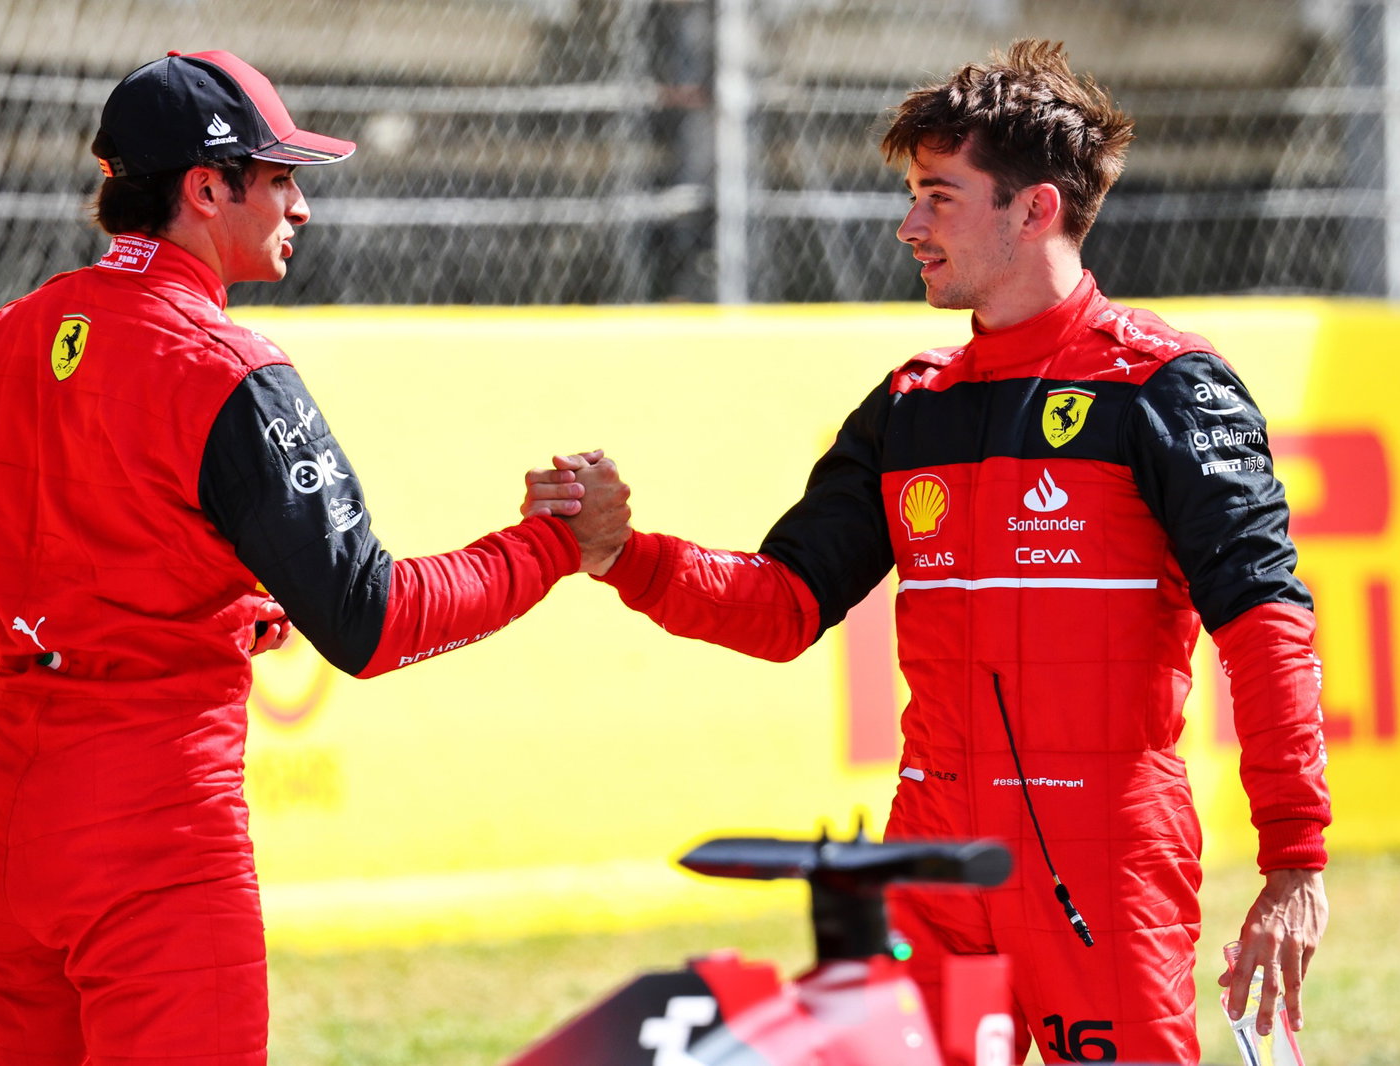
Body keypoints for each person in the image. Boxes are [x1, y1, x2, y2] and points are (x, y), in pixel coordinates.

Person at [526, 39, 1328, 1064]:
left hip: (1103, 854)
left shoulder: (1167, 386)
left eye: (938, 197)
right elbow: (781, 606)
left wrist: (1293, 856)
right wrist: (622, 552)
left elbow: (1265, 624)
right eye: (911, 195)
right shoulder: (910, 405)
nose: (908, 225)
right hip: (929, 849)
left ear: (1033, 210)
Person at [0, 50, 629, 1066]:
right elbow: (369, 622)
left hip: (13, 829)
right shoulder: (226, 367)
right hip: (158, 827)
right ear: (206, 188)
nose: (302, 207)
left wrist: (83, 624)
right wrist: (548, 545)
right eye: (280, 178)